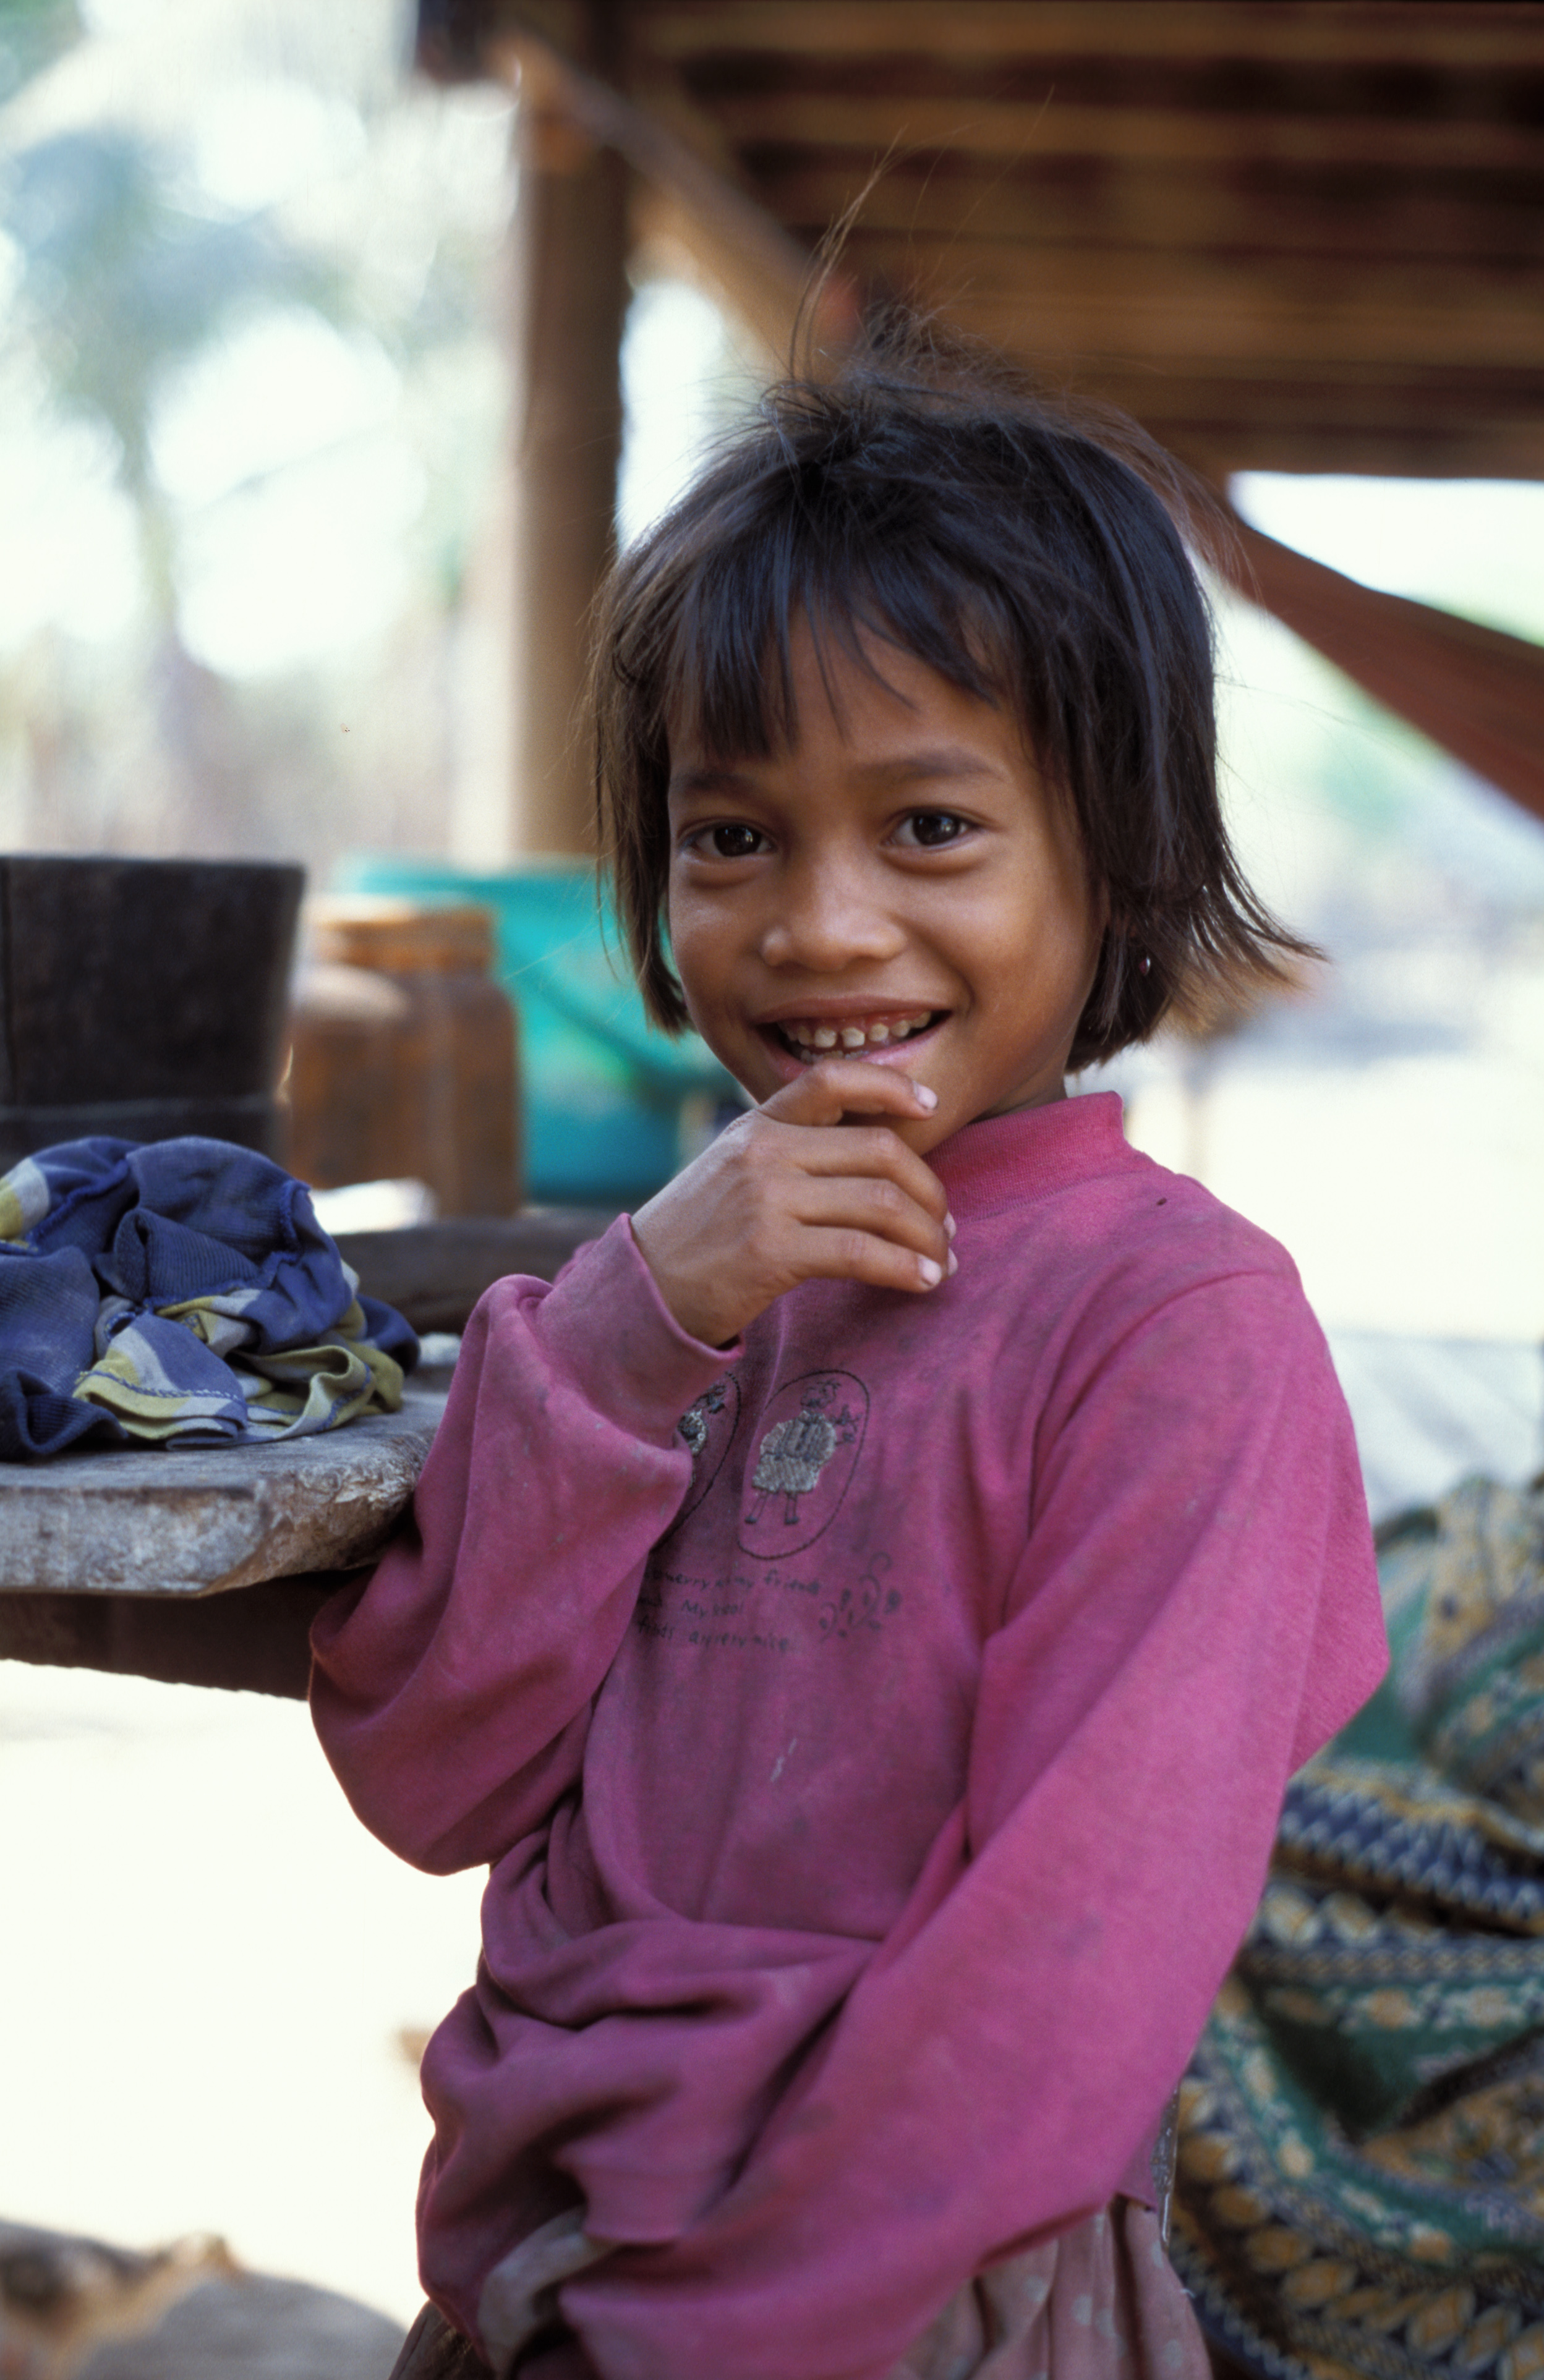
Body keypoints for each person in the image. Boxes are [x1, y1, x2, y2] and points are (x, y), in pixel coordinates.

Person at [309, 321, 1387, 2380]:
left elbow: (1075, 1968)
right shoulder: (658, 1293)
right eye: (731, 838)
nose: (816, 928)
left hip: (908, 2301)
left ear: (1124, 859)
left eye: (926, 831)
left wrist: (732, 2328)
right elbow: (429, 1771)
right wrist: (632, 1332)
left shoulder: (1176, 1330)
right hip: (542, 2272)